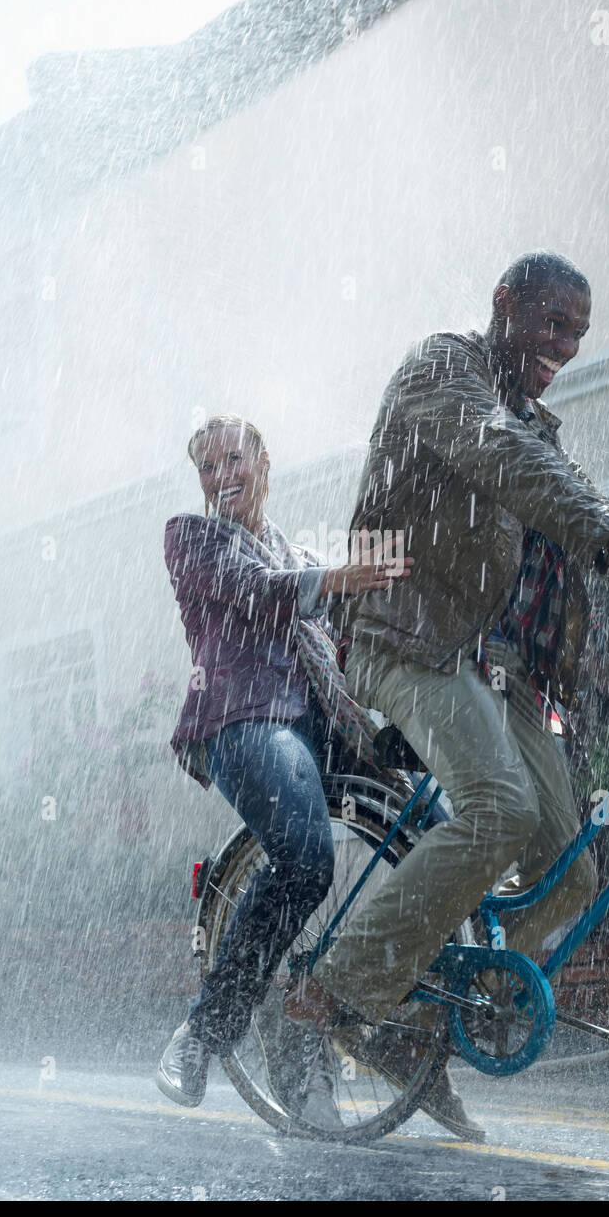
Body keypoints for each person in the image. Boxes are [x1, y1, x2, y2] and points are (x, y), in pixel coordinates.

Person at [284, 251, 609, 1070]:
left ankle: (420, 1012)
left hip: (504, 663)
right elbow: (510, 462)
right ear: (504, 303)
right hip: (407, 637)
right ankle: (333, 989)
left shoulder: (537, 424)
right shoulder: (442, 369)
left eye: (579, 333)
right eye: (553, 324)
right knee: (500, 809)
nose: (567, 347)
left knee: (569, 874)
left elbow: (578, 504)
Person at [156, 414, 412, 1123]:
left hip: (323, 726)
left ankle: (421, 1028)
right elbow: (259, 588)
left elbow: (338, 636)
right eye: (207, 468)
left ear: (263, 461)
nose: (221, 477)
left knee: (439, 825)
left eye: (233, 459)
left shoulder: (290, 549)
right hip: (244, 723)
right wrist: (339, 576)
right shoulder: (192, 537)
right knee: (305, 863)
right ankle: (201, 1036)